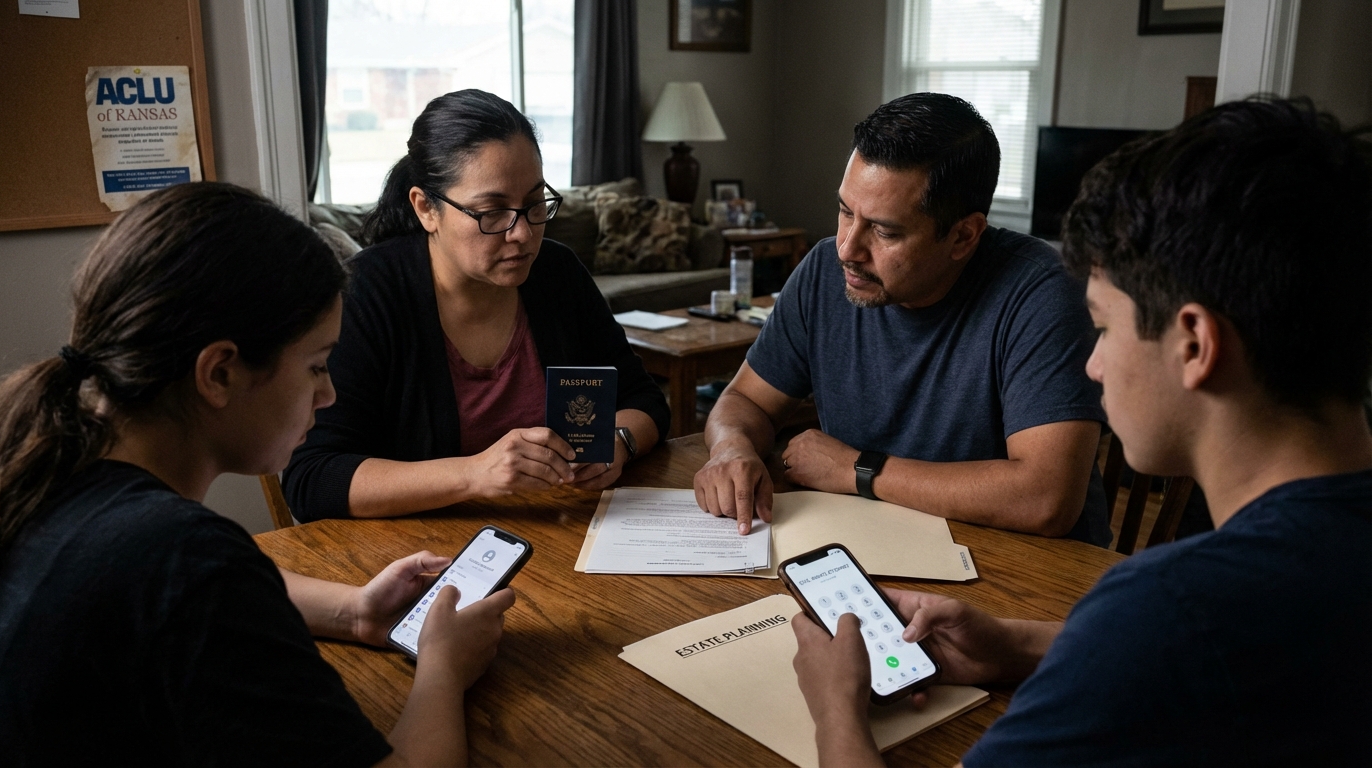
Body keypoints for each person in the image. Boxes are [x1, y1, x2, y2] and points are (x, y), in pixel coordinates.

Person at [790, 97, 1372, 765]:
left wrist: (835, 706)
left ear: (1194, 345)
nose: (1092, 364)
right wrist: (1028, 644)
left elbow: (1173, 637)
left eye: (1102, 325)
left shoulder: (1170, 607)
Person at [0, 183, 514, 765]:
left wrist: (356, 611)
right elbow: (197, 581)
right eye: (317, 366)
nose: (328, 394)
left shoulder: (43, 464)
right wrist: (443, 668)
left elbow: (186, 592)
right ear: (219, 373)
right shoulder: (186, 557)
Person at [694, 93, 1110, 545]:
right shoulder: (822, 272)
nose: (847, 249)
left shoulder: (1041, 293)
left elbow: (1046, 499)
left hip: (1028, 575)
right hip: (873, 544)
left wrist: (856, 469)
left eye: (884, 231)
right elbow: (744, 402)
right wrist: (730, 447)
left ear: (963, 236)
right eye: (845, 212)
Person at [284, 89, 668, 521]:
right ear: (426, 208)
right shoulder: (368, 294)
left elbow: (642, 398)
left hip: (559, 535)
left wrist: (618, 441)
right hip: (413, 563)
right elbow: (312, 479)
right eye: (492, 212)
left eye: (534, 204)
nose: (522, 233)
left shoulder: (557, 274)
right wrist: (474, 474)